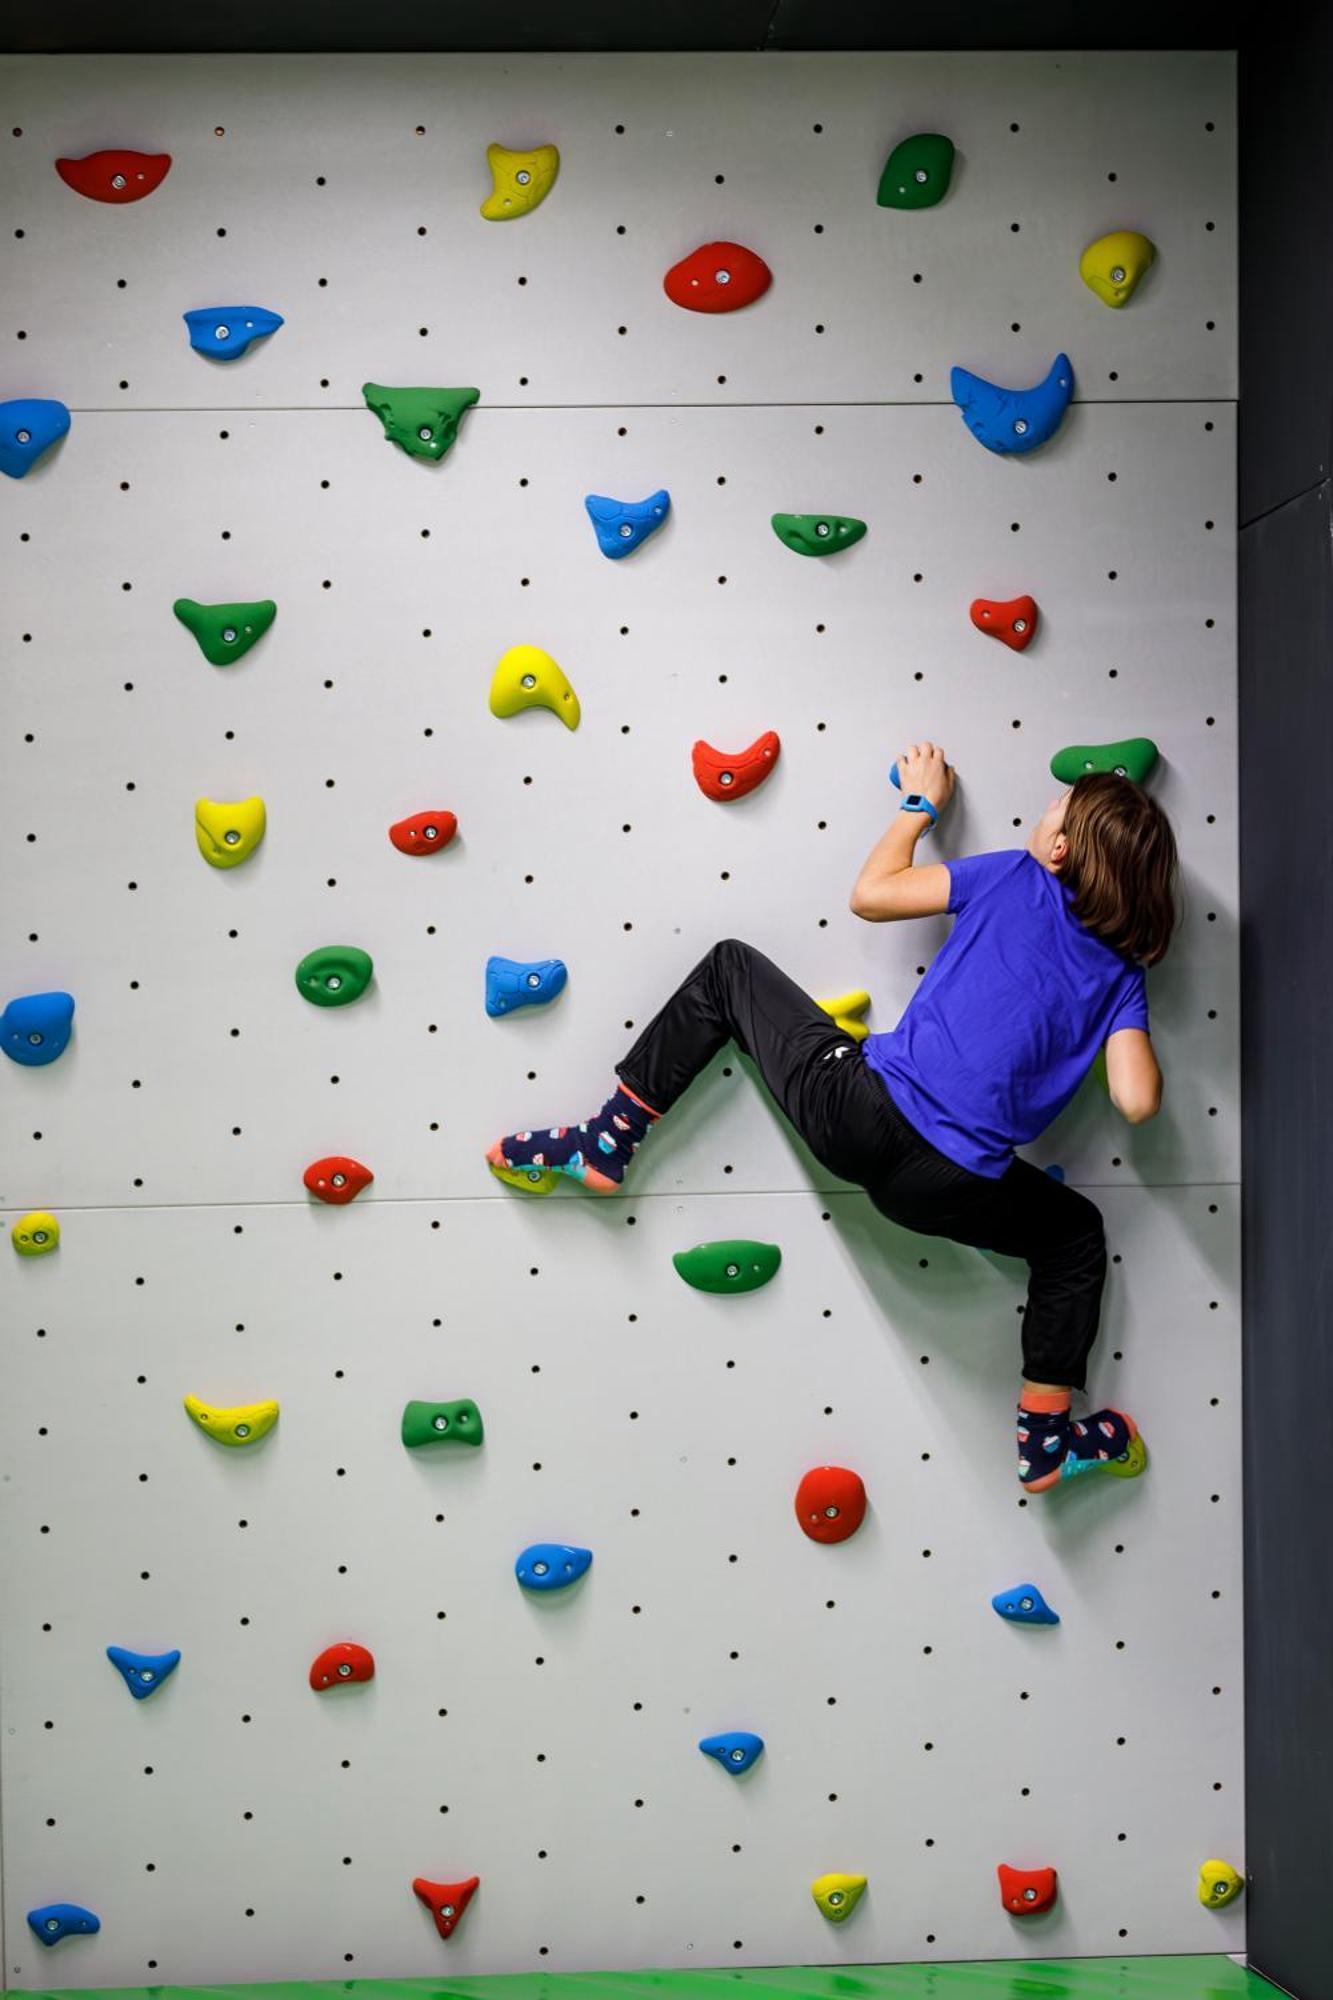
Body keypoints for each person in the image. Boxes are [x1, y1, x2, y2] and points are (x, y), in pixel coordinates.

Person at [486, 741, 1178, 1494]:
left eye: (1056, 809)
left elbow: (872, 894)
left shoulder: (1015, 874)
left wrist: (920, 807)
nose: (1042, 812)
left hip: (856, 1112)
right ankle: (1042, 1438)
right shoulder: (1118, 979)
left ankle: (608, 1139)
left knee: (727, 969)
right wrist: (1122, 994)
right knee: (1072, 1236)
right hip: (945, 1188)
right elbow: (1135, 1101)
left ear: (1062, 844)